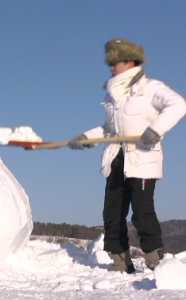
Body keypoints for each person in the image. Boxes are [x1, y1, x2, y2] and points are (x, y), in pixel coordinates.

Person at [68, 38, 186, 273]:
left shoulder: (150, 88)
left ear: (130, 61)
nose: (111, 66)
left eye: (115, 61)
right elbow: (109, 130)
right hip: (116, 159)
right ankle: (120, 261)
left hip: (142, 160)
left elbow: (179, 105)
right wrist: (86, 137)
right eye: (110, 62)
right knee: (111, 213)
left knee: (142, 213)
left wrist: (155, 129)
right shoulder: (113, 96)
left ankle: (156, 261)